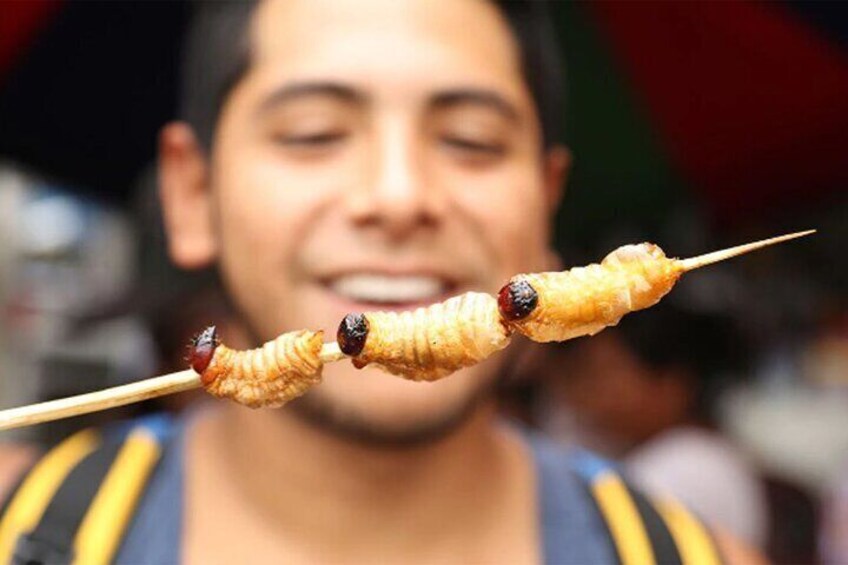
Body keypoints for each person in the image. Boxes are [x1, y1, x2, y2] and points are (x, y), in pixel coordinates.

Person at [0, 1, 761, 562]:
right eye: (314, 133)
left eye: (470, 141)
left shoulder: (695, 552)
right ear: (193, 194)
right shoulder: (21, 524)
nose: (398, 197)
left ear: (545, 205)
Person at [539, 302, 768, 549]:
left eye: (605, 373)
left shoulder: (690, 463)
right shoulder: (671, 452)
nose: (588, 390)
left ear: (671, 385)